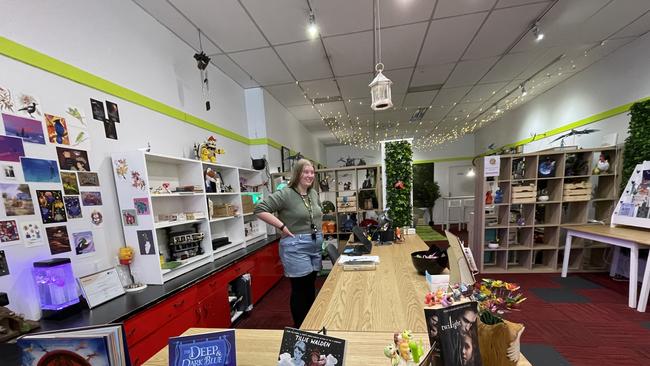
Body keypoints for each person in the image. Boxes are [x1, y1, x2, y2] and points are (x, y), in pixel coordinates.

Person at [255, 159, 323, 328]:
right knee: (300, 289)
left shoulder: (313, 193)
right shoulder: (286, 193)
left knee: (310, 286)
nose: (309, 175)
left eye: (312, 172)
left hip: (314, 244)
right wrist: (282, 226)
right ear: (297, 174)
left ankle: (311, 323)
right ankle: (301, 328)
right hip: (296, 246)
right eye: (305, 172)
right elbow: (260, 209)